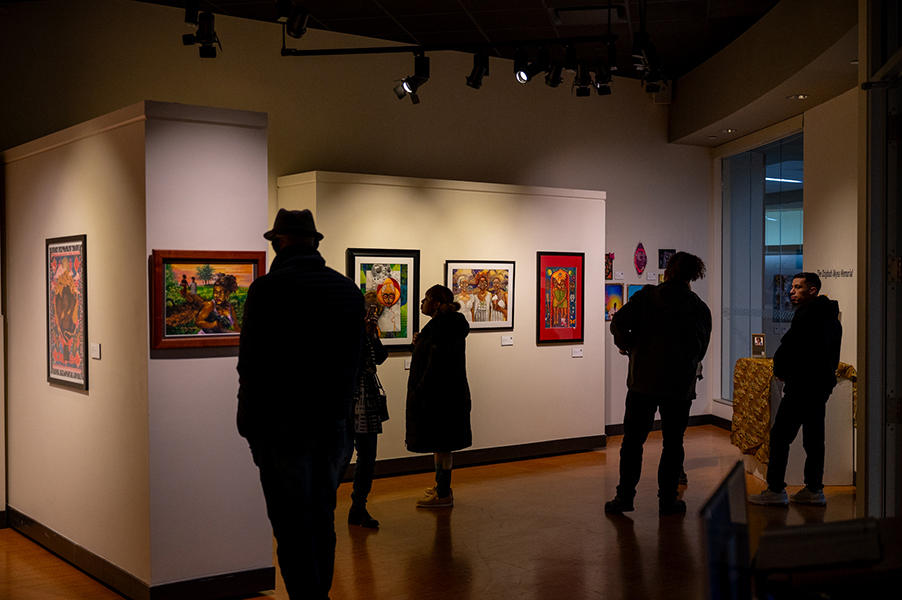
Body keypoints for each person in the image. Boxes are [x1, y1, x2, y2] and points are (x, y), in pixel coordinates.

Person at [237, 208, 364, 600]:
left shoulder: (267, 290)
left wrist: (248, 426)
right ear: (316, 242)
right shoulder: (347, 291)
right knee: (322, 518)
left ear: (278, 242)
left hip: (282, 425)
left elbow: (252, 364)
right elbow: (357, 362)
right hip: (333, 424)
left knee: (292, 525)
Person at [605, 252, 712, 515]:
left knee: (632, 441)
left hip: (643, 381)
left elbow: (618, 323)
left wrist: (629, 347)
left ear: (667, 271)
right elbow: (702, 347)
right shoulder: (699, 308)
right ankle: (668, 500)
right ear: (692, 276)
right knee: (673, 443)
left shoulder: (645, 298)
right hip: (679, 386)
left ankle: (625, 497)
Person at [749, 272, 841, 507]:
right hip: (820, 387)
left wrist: (782, 370)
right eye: (792, 287)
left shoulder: (807, 316)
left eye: (798, 287)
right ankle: (813, 489)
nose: (792, 291)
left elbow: (790, 348)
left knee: (780, 437)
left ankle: (776, 489)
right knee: (814, 440)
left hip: (802, 386)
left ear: (812, 291)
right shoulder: (831, 317)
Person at [406, 284, 472, 508]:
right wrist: (418, 345)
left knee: (443, 444)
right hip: (444, 398)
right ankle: (441, 487)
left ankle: (443, 493)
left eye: (425, 299)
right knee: (441, 444)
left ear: (435, 304)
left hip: (441, 400)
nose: (422, 303)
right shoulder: (442, 327)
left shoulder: (444, 328)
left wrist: (419, 392)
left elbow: (436, 367)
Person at [345, 291, 389, 529]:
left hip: (367, 397)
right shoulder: (344, 331)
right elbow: (346, 359)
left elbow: (380, 358)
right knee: (341, 457)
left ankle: (358, 507)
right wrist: (361, 335)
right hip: (347, 398)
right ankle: (322, 509)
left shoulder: (368, 333)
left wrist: (371, 336)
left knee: (368, 457)